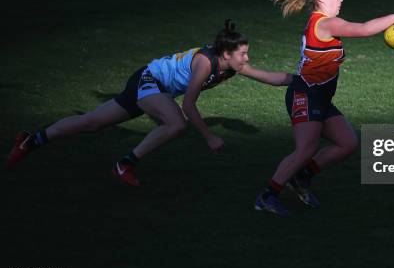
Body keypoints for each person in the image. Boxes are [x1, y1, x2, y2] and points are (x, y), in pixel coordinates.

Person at [6, 20, 292, 186]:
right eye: (243, 54)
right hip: (148, 81)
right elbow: (190, 105)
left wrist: (303, 78)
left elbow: (271, 77)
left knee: (91, 123)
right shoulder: (205, 64)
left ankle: (30, 140)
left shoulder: (232, 65)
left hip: (152, 87)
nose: (247, 59)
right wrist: (209, 137)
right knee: (177, 123)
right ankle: (125, 164)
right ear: (226, 53)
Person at [254, 0, 394, 216]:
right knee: (305, 149)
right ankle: (267, 197)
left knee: (347, 143)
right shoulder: (324, 23)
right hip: (305, 95)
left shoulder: (321, 23)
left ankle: (301, 178)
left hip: (319, 97)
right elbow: (362, 30)